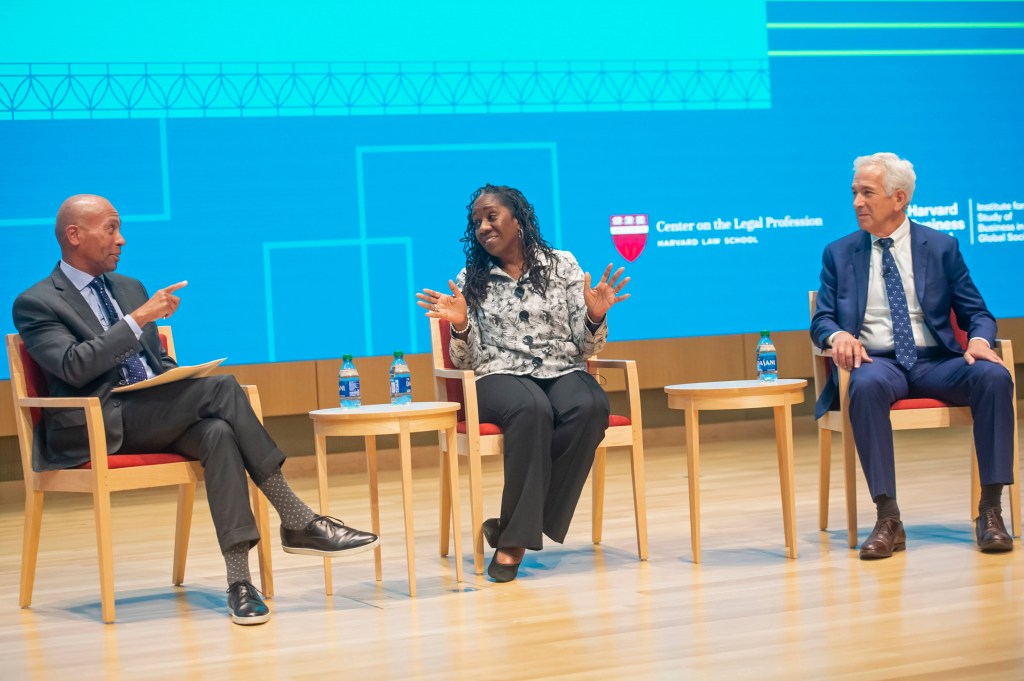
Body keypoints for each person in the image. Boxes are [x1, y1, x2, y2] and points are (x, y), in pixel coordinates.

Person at [13, 195, 379, 625]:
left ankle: (240, 582)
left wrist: (177, 375)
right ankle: (298, 518)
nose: (122, 239)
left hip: (150, 411)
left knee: (218, 433)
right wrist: (135, 320)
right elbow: (74, 367)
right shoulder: (37, 302)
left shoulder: (129, 287)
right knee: (222, 388)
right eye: (111, 229)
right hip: (98, 422)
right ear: (74, 235)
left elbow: (153, 363)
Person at [416, 184, 630, 582]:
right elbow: (468, 361)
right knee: (532, 408)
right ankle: (513, 544)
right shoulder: (471, 279)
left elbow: (584, 345)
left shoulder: (562, 265)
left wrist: (596, 317)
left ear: (518, 219)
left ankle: (514, 523)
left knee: (592, 405)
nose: (482, 226)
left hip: (561, 368)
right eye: (476, 221)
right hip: (497, 376)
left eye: (491, 216)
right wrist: (461, 326)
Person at [810, 153, 1015, 559]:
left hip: (937, 361)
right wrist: (838, 336)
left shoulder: (940, 247)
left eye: (867, 193)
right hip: (878, 362)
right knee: (864, 387)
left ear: (898, 198)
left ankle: (991, 510)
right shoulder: (839, 253)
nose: (857, 203)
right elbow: (823, 319)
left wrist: (978, 340)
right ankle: (888, 518)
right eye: (854, 193)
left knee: (996, 377)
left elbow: (977, 313)